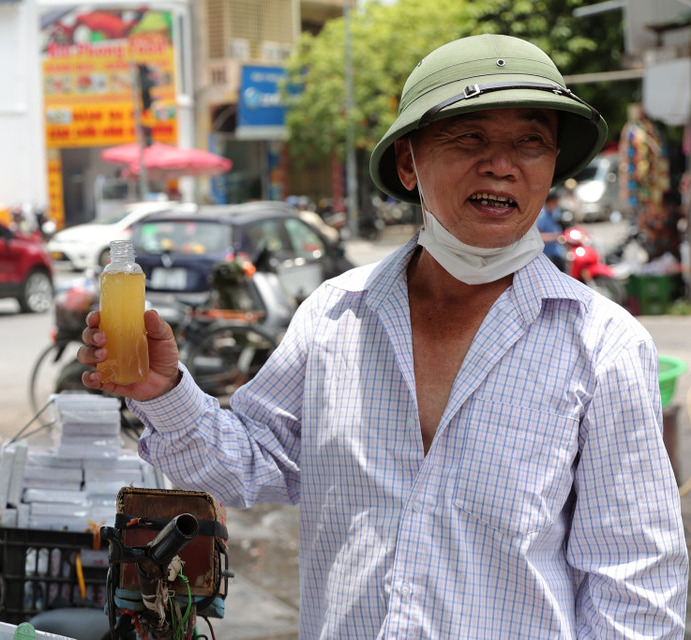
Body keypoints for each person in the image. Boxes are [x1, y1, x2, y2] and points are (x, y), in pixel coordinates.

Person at [77, 34, 688, 637]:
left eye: (530, 141)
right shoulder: (334, 319)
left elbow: (634, 582)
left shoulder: (602, 344)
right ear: (408, 163)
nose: (501, 164)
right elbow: (251, 463)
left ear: (551, 166)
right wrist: (162, 392)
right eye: (468, 136)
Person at [537, 190, 566, 271]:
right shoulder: (542, 215)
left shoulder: (554, 211)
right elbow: (538, 236)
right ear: (551, 201)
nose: (557, 203)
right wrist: (556, 237)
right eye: (556, 201)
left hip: (557, 251)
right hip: (547, 255)